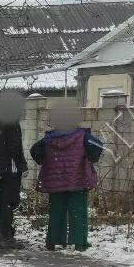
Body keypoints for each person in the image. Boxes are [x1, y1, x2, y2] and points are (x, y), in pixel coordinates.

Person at [30, 98, 104, 251]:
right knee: (78, 213)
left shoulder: (49, 139)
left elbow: (35, 151)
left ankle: (53, 240)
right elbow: (98, 146)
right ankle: (80, 243)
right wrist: (91, 158)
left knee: (57, 212)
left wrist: (44, 161)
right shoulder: (83, 136)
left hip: (55, 182)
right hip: (78, 181)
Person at [0, 92, 27, 248]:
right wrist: (22, 166)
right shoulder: (12, 124)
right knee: (8, 204)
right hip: (9, 172)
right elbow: (15, 149)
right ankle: (5, 237)